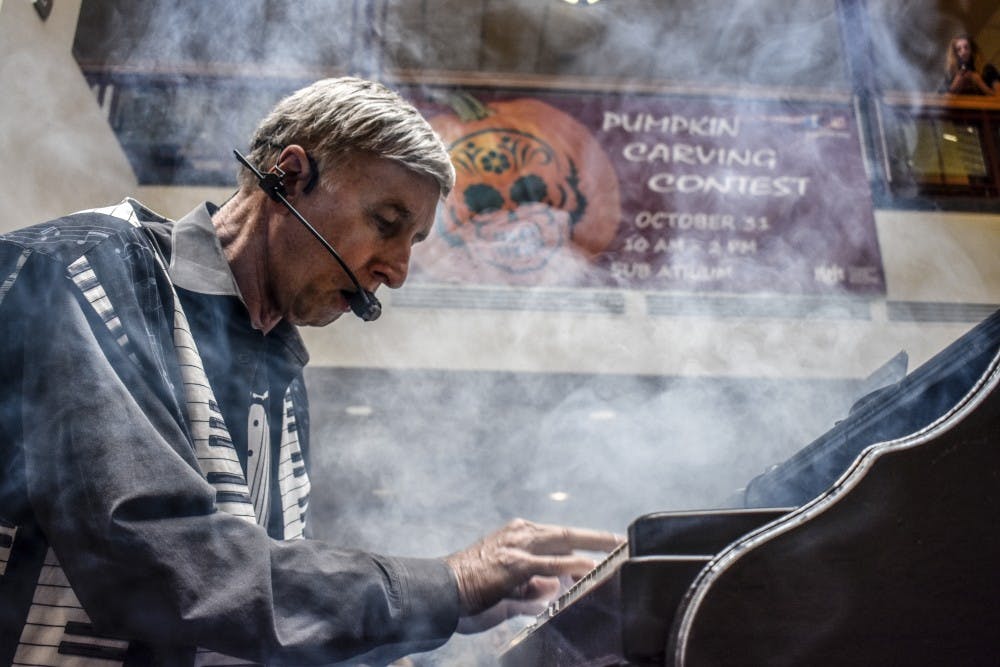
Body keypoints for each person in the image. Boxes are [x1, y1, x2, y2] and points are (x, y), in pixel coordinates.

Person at [0, 77, 620, 665]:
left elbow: (259, 616)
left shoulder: (279, 365)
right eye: (386, 222)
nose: (398, 271)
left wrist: (447, 616)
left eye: (415, 241)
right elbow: (152, 563)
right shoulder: (87, 271)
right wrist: (445, 585)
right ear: (289, 176)